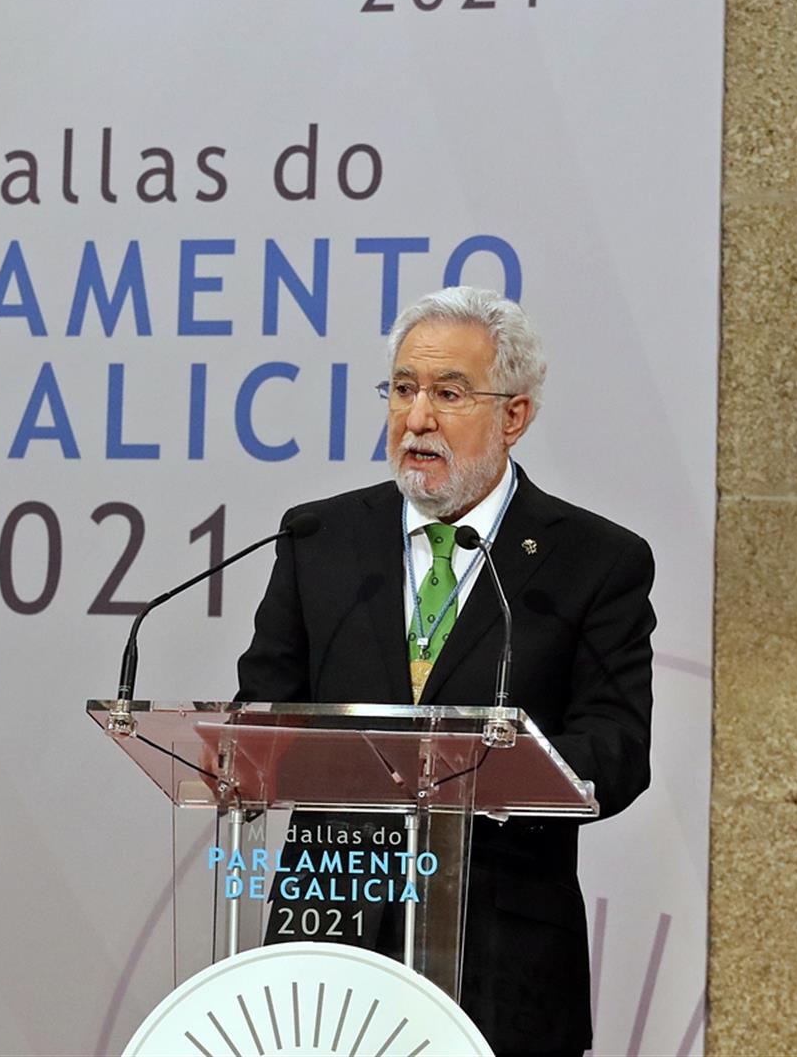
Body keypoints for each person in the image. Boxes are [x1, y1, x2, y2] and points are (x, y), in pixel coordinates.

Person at [237, 286, 656, 1054]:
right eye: (402, 389)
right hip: (328, 942)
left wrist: (492, 767)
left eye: (448, 393)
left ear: (515, 416)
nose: (417, 418)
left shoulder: (595, 562)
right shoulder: (320, 538)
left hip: (503, 958)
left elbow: (620, 751)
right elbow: (261, 718)